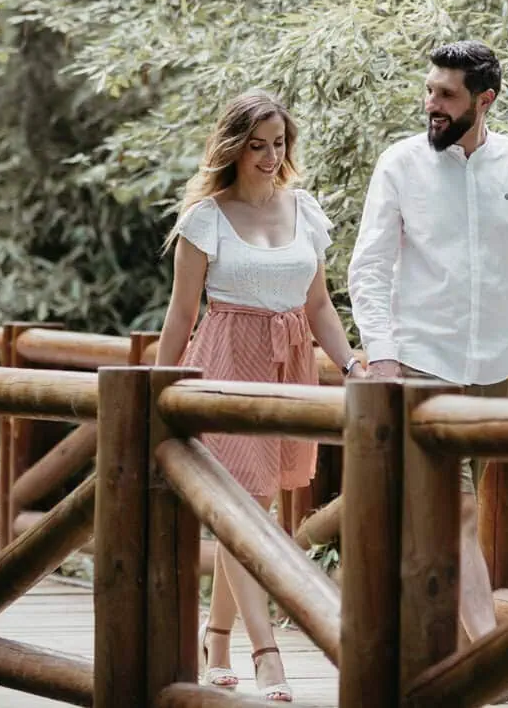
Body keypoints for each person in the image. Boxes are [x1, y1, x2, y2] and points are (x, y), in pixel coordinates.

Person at [347, 40, 508, 679]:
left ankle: (429, 668)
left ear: (485, 100)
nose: (432, 104)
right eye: (429, 90)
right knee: (459, 512)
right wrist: (383, 356)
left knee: (439, 523)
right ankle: (489, 660)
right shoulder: (400, 164)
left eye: (447, 95)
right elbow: (369, 268)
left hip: (495, 369)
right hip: (420, 365)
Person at [155, 92, 365, 702]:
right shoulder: (206, 218)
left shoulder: (304, 210)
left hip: (291, 362)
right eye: (257, 145)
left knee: (252, 505)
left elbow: (319, 306)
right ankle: (265, 653)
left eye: (278, 144)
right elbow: (182, 314)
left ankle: (215, 638)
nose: (271, 156)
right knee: (245, 506)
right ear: (233, 147)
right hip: (226, 361)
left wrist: (352, 364)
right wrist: (156, 387)